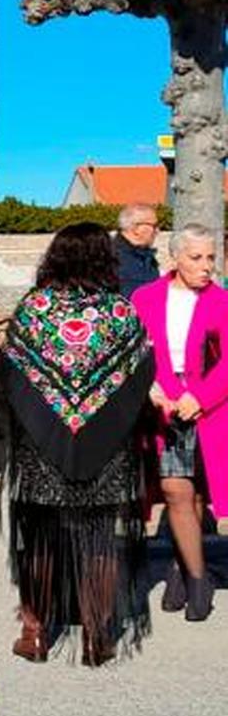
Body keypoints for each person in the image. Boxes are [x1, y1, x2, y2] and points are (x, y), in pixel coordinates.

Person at [0, 222, 154, 665]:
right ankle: (97, 634)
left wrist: (45, 417)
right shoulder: (119, 311)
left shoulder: (35, 308)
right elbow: (142, 372)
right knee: (102, 537)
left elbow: (10, 372)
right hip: (106, 445)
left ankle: (34, 631)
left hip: (42, 444)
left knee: (40, 537)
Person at [132, 225, 228, 622]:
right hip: (162, 409)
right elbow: (133, 349)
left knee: (199, 495)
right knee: (175, 491)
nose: (206, 267)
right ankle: (196, 575)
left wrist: (200, 397)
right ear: (175, 258)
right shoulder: (145, 297)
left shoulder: (221, 301)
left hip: (210, 412)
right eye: (197, 258)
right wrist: (151, 388)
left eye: (211, 258)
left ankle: (181, 567)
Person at [112, 202, 161, 297]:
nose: (157, 231)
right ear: (136, 228)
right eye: (154, 226)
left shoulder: (147, 257)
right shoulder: (113, 257)